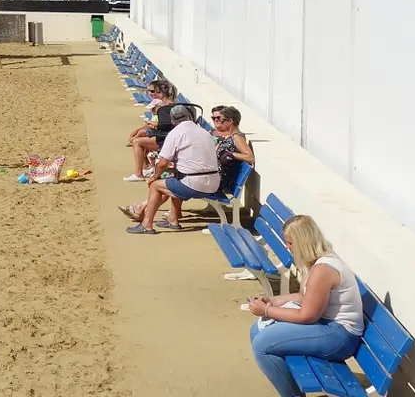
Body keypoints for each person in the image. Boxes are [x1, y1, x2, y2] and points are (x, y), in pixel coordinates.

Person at [246, 215, 366, 395]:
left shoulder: (324, 269)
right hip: (327, 327)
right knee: (257, 331)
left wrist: (267, 310)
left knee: (262, 345)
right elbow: (304, 297)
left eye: (291, 243)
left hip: (339, 336)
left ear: (303, 241)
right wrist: (273, 301)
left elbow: (307, 315)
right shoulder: (316, 262)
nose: (288, 247)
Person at [119, 103, 219, 234]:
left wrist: (154, 177)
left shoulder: (175, 133)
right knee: (175, 179)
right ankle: (173, 219)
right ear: (190, 116)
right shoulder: (204, 132)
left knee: (155, 185)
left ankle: (147, 224)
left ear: (172, 121)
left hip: (195, 184)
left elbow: (163, 163)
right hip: (214, 183)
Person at [124, 80, 176, 181]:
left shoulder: (164, 107)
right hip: (167, 136)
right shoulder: (169, 105)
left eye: (153, 91)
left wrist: (140, 131)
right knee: (140, 137)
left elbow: (163, 125)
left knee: (137, 141)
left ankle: (139, 174)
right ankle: (147, 167)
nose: (151, 94)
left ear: (160, 93)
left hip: (166, 138)